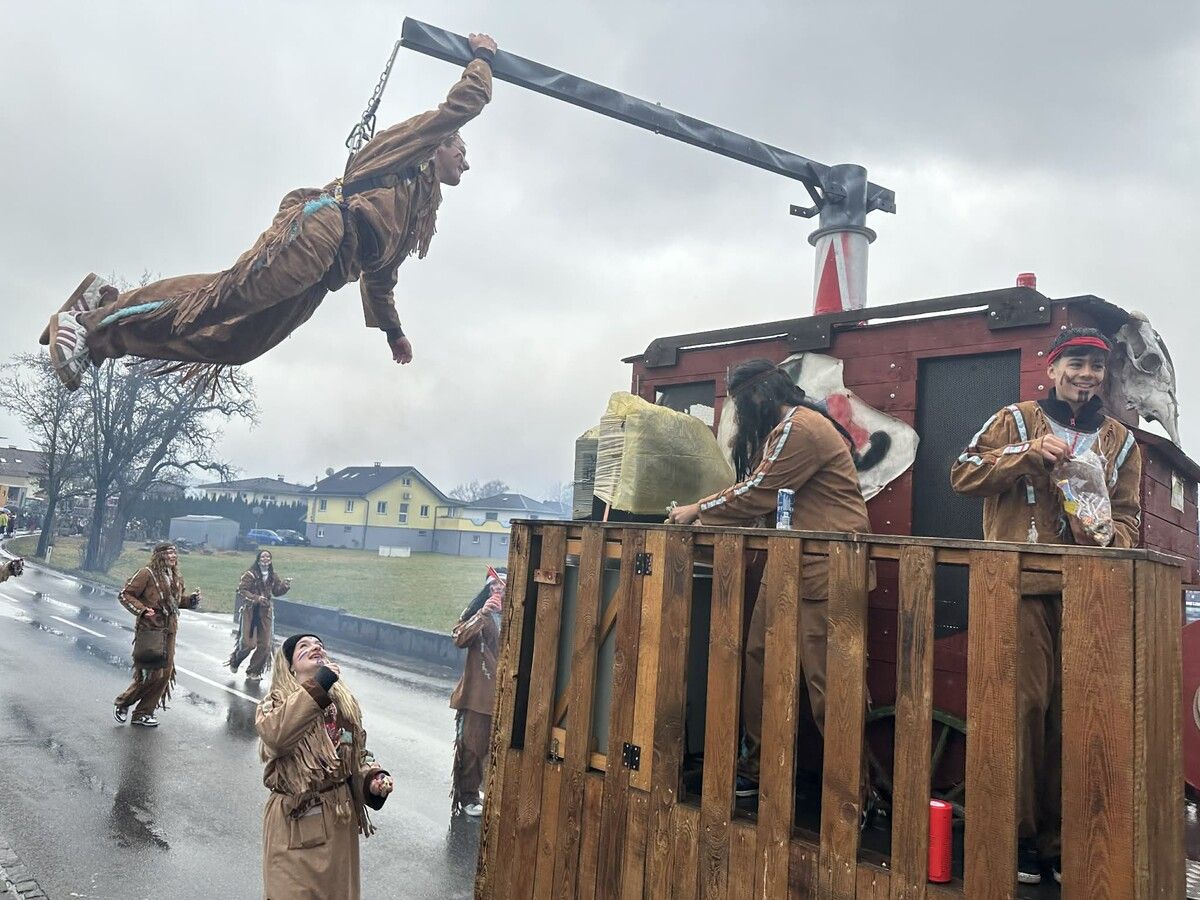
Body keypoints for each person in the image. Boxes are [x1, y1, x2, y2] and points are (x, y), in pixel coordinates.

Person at [42, 33, 500, 392]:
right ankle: (89, 328)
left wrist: (392, 332)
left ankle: (104, 308)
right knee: (222, 299)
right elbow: (460, 107)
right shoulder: (407, 152)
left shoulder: (418, 212)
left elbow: (379, 279)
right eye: (462, 150)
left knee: (237, 343)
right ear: (442, 145)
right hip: (323, 229)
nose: (467, 161)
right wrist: (482, 59)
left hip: (328, 273)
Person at [950, 326, 1141, 886]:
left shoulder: (1120, 441)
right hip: (1022, 583)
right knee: (1024, 709)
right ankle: (1019, 837)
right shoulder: (1014, 419)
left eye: (1096, 367)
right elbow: (961, 473)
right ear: (1053, 369)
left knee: (1072, 716)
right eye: (1076, 364)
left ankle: (1061, 840)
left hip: (1089, 592)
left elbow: (1129, 518)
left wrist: (1105, 533)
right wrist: (1025, 455)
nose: (1087, 375)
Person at [668, 358, 873, 802]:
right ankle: (760, 767)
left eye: (741, 405)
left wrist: (697, 510)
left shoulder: (800, 428)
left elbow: (758, 490)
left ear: (758, 397)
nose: (741, 415)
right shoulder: (789, 430)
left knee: (830, 684)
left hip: (829, 568)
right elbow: (768, 502)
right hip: (791, 567)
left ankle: (852, 793)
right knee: (761, 663)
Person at [256, 633, 393, 900]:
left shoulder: (343, 705)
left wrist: (372, 780)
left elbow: (357, 756)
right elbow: (276, 736)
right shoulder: (274, 704)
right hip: (294, 821)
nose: (315, 647)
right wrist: (319, 686)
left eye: (318, 644)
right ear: (290, 665)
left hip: (338, 821)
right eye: (303, 646)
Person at [114, 542, 202, 727]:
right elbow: (125, 595)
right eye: (168, 553)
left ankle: (143, 713)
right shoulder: (147, 573)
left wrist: (191, 601)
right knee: (151, 674)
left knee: (165, 674)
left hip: (169, 630)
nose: (172, 556)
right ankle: (124, 703)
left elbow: (175, 603)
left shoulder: (176, 577)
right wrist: (143, 610)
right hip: (150, 630)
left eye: (174, 553)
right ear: (158, 556)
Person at [449, 567, 505, 816]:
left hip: (507, 691)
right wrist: (483, 614)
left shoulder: (520, 612)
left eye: (503, 586)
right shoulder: (477, 613)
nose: (498, 591)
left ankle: (495, 793)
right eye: (493, 586)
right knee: (473, 745)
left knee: (501, 748)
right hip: (478, 692)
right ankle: (468, 796)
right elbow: (459, 638)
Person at [228, 549, 291, 682]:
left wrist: (285, 586)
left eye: (268, 556)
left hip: (266, 612)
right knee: (248, 644)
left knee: (266, 645)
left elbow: (276, 591)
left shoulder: (273, 576)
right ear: (258, 560)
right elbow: (242, 590)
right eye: (263, 556)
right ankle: (235, 660)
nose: (265, 558)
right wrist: (256, 598)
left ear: (271, 561)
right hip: (250, 611)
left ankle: (253, 671)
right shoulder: (249, 574)